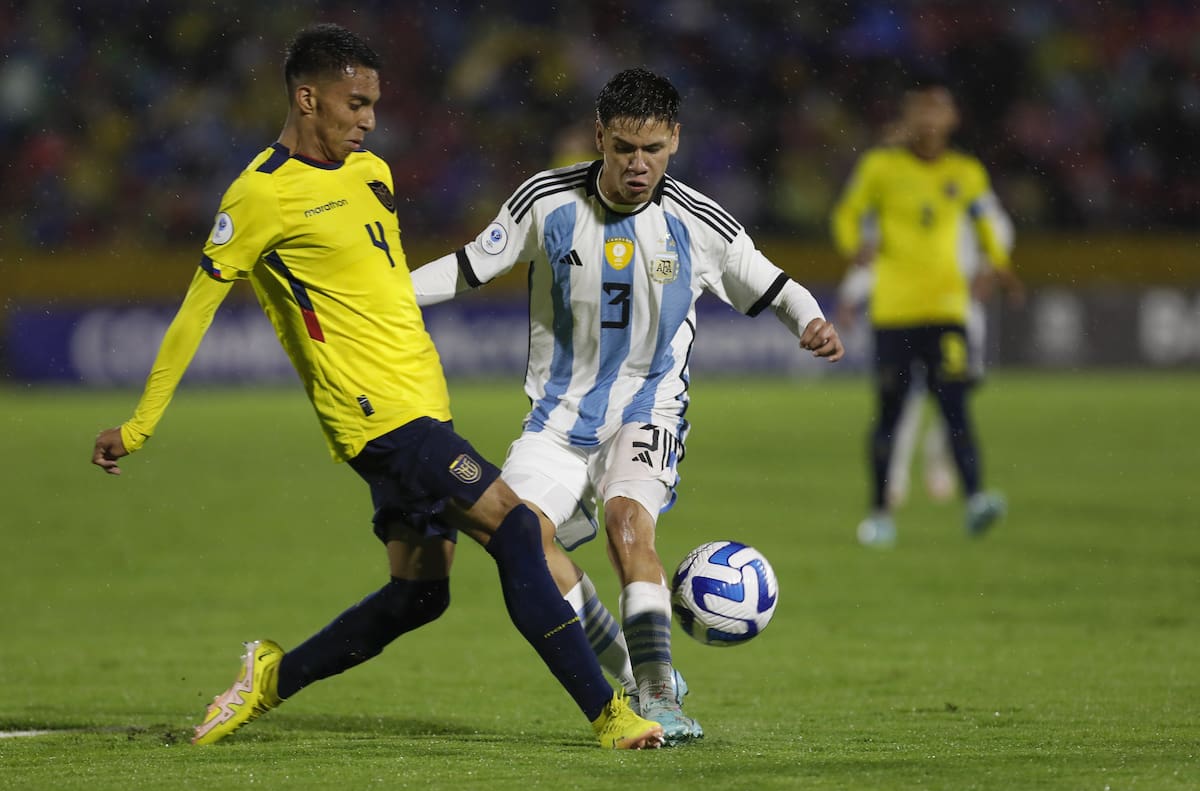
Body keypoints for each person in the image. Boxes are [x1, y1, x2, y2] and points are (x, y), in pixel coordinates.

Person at [89, 24, 665, 751]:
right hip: (378, 421)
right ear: (306, 97)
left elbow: (383, 290)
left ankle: (270, 678)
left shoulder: (374, 174)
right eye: (354, 103)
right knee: (518, 529)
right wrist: (138, 427)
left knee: (419, 594)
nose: (367, 119)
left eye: (374, 104)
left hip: (422, 405)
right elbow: (191, 316)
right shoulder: (259, 196)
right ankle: (611, 715)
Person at [409, 67, 844, 744]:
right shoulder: (547, 201)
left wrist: (812, 323)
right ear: (599, 139)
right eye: (623, 149)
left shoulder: (698, 222)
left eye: (653, 150)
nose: (638, 165)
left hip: (649, 409)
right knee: (516, 538)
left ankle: (659, 694)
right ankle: (630, 661)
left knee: (627, 528)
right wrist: (388, 298)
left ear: (674, 140)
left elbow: (777, 285)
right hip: (556, 420)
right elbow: (469, 266)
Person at [830, 74, 1023, 547]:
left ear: (953, 119)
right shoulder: (880, 168)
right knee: (891, 413)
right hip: (895, 312)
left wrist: (1000, 266)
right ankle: (879, 513)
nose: (930, 118)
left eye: (939, 109)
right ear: (909, 118)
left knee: (955, 406)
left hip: (947, 309)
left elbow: (987, 225)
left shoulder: (967, 173)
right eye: (923, 109)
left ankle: (976, 498)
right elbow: (846, 213)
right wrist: (853, 247)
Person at [836, 182, 1021, 509]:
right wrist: (852, 293)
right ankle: (895, 479)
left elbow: (1000, 228)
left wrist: (988, 270)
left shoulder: (961, 180)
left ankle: (938, 460)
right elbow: (877, 249)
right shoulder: (893, 186)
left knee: (954, 398)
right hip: (905, 311)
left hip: (957, 309)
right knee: (904, 400)